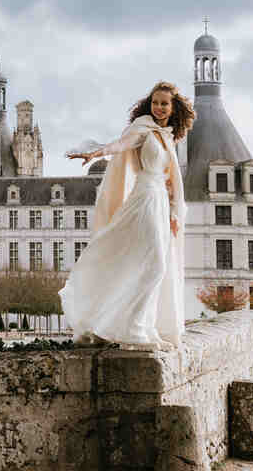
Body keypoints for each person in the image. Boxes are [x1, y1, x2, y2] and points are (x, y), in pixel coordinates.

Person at [58, 81, 195, 351]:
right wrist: (97, 152)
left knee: (149, 264)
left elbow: (169, 180)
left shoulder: (166, 136)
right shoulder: (143, 128)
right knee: (155, 264)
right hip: (143, 199)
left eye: (164, 103)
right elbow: (122, 145)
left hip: (159, 203)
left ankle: (142, 327)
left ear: (173, 107)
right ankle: (134, 329)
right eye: (155, 102)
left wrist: (173, 214)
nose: (158, 107)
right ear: (149, 104)